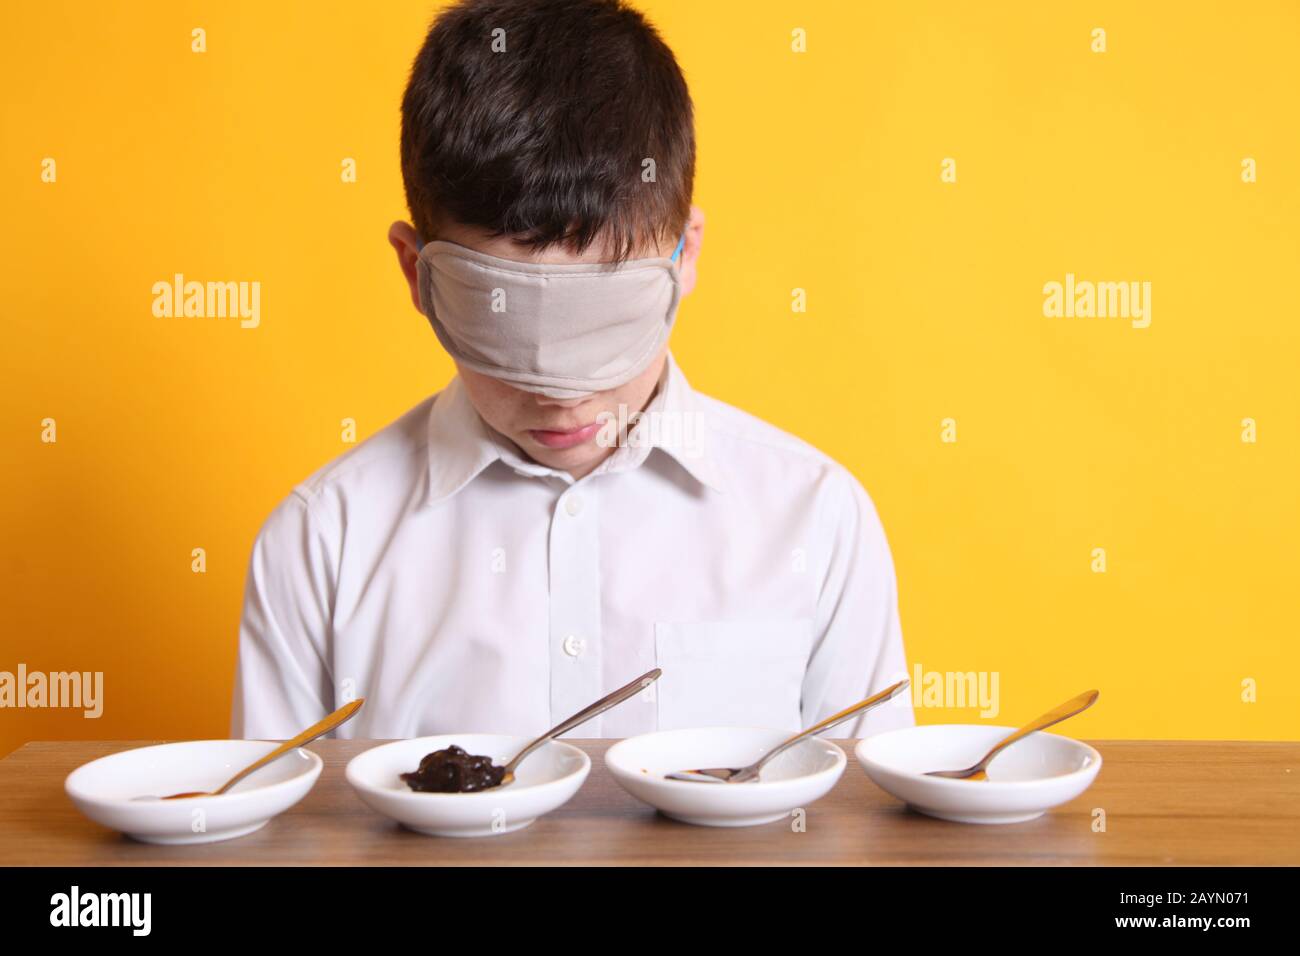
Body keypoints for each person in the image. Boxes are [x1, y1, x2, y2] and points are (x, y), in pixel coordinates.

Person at [231, 0, 914, 740]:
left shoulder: (818, 521)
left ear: (685, 256)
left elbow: (870, 832)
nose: (562, 397)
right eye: (503, 321)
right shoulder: (321, 546)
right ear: (415, 273)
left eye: (605, 323)